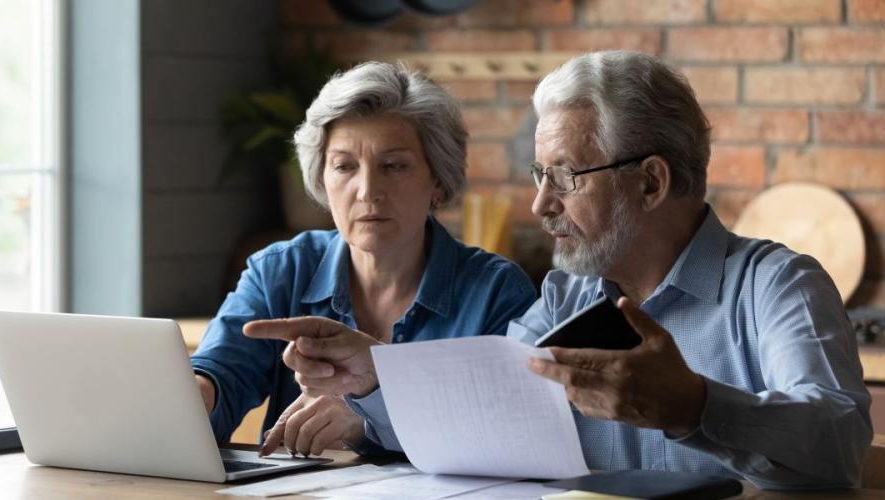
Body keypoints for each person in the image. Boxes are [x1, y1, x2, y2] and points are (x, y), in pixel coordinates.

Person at [252, 51, 873, 490]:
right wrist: (375, 376)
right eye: (539, 176)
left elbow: (839, 447)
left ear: (652, 181)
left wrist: (694, 406)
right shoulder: (565, 296)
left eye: (566, 178)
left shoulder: (776, 285)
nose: (540, 205)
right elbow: (485, 410)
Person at [190, 61, 537, 458]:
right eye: (344, 167)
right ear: (322, 180)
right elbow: (222, 372)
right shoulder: (280, 271)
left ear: (438, 182)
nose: (367, 190)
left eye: (393, 166)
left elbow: (510, 433)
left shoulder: (497, 292)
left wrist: (370, 421)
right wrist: (198, 396)